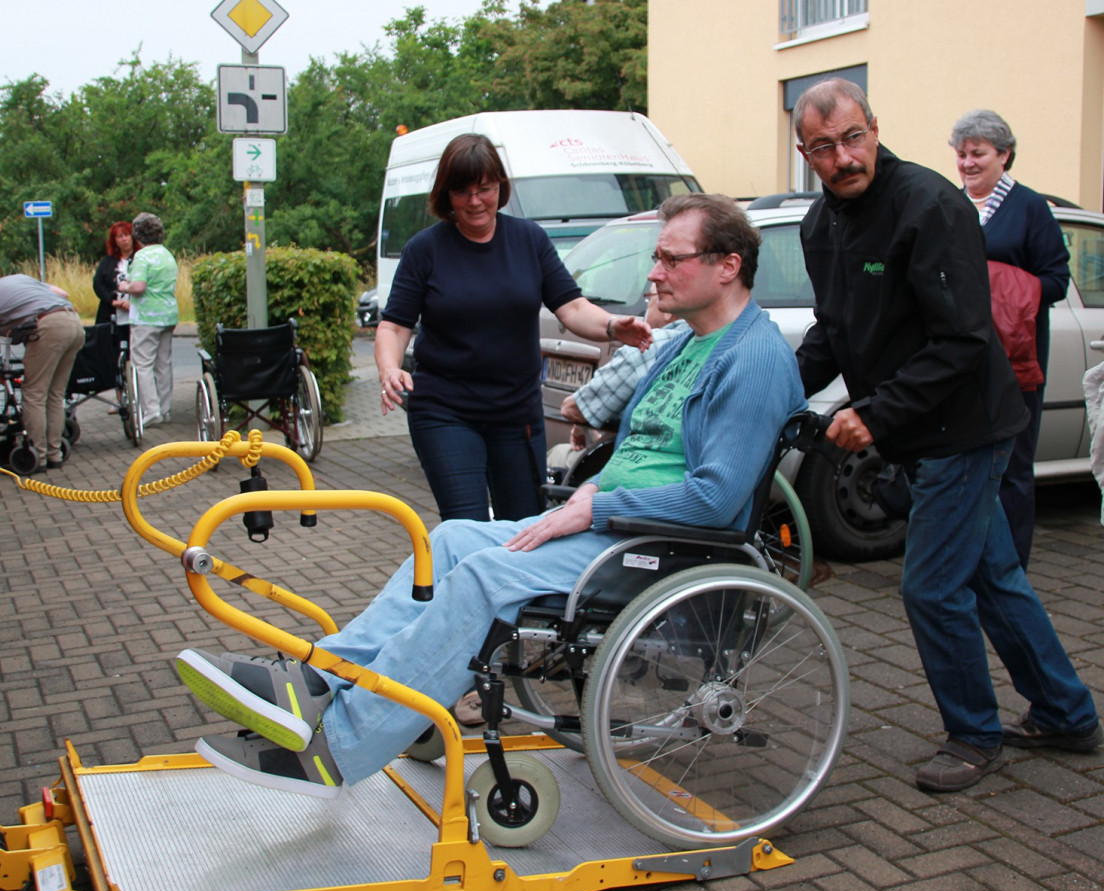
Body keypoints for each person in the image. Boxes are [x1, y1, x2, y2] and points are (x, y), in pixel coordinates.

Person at [175, 193, 807, 796]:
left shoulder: (752, 357)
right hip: (608, 527)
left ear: (727, 267)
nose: (655, 272)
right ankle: (317, 679)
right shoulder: (687, 345)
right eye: (657, 256)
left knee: (485, 578)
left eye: (671, 258)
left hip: (656, 546)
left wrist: (596, 505)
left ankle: (338, 748)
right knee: (448, 539)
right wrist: (591, 484)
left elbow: (717, 501)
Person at [792, 78, 1100, 794]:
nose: (844, 158)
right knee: (993, 576)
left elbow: (962, 339)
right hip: (918, 427)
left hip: (964, 428)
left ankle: (972, 733)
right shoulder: (820, 225)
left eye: (854, 138)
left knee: (932, 586)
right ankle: (1065, 711)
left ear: (875, 126)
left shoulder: (930, 206)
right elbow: (835, 331)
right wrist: (772, 384)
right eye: (825, 148)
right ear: (805, 153)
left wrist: (877, 412)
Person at [375, 133, 651, 523]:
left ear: (500, 187)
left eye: (484, 189)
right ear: (445, 195)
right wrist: (389, 369)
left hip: (515, 413)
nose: (475, 201)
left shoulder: (529, 240)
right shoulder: (425, 250)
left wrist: (611, 325)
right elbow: (394, 326)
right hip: (445, 411)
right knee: (466, 525)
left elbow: (571, 307)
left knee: (524, 525)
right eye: (462, 191)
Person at [949, 110, 1071, 569]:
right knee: (963, 463)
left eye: (977, 153)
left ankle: (1010, 565)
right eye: (961, 154)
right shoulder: (951, 204)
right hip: (960, 357)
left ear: (1004, 155)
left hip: (1015, 360)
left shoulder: (1031, 207)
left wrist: (998, 283)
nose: (967, 163)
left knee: (1014, 467)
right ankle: (969, 556)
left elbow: (1057, 278)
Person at [0, 274, 85, 471]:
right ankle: (54, 453)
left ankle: (37, 455)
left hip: (48, 327)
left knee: (34, 394)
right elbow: (63, 293)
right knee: (55, 394)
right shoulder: (17, 279)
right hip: (73, 322)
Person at [561, 284, 678, 450]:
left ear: (667, 312)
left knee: (556, 455)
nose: (647, 306)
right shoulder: (710, 340)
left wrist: (582, 425)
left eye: (648, 299)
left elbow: (573, 409)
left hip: (628, 460)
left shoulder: (646, 347)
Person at [119, 212, 179, 428]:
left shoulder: (142, 257)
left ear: (137, 235)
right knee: (164, 363)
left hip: (146, 316)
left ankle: (151, 410)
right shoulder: (167, 255)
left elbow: (138, 287)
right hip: (168, 314)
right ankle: (165, 408)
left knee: (142, 364)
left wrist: (124, 286)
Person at [92, 221, 137, 326]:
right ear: (114, 240)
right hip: (110, 314)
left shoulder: (142, 259)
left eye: (126, 235)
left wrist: (132, 303)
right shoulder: (107, 262)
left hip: (136, 314)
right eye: (119, 236)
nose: (124, 239)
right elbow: (98, 284)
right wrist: (113, 301)